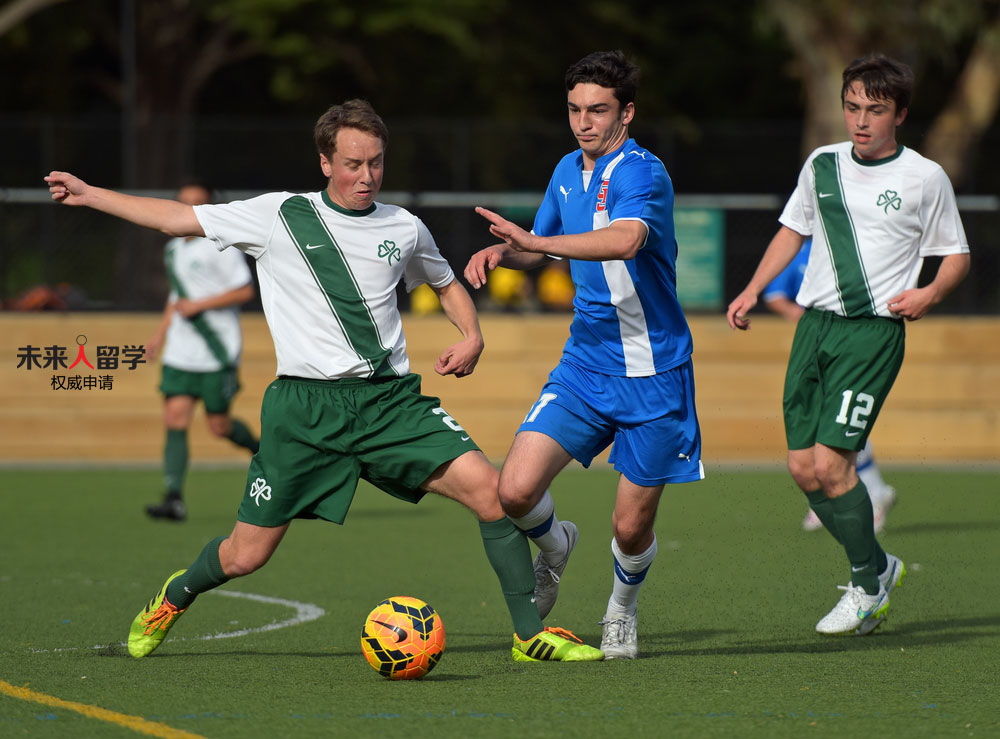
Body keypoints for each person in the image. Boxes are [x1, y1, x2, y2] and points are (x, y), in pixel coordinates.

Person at [45, 99, 602, 664]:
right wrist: (91, 195)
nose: (367, 177)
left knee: (492, 493)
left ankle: (529, 635)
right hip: (304, 413)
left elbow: (444, 280)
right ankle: (176, 594)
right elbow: (173, 219)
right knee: (245, 556)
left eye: (377, 163)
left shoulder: (404, 226)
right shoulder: (277, 215)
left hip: (388, 404)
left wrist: (472, 334)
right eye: (354, 164)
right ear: (325, 162)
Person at [465, 50, 704, 659]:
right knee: (513, 491)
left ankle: (621, 610)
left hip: (653, 374)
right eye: (574, 109)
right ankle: (555, 545)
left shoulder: (642, 173)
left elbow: (625, 239)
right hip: (585, 366)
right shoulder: (566, 170)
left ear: (627, 112)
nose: (583, 122)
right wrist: (503, 253)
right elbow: (540, 246)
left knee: (629, 526)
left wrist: (537, 241)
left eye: (597, 110)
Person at [727, 54, 970, 636]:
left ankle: (866, 585)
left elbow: (956, 256)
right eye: (853, 107)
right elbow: (793, 230)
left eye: (875, 110)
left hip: (872, 334)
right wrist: (754, 288)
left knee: (835, 465)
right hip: (815, 328)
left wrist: (929, 295)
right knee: (802, 469)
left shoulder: (923, 177)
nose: (861, 121)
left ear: (900, 114)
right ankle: (880, 565)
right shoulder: (823, 164)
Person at [762, 239, 897, 534]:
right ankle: (867, 492)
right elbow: (774, 295)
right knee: (828, 421)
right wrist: (800, 315)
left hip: (853, 341)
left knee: (840, 418)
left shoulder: (854, 242)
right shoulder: (798, 248)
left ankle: (868, 494)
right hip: (814, 343)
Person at [143, 181, 259, 522]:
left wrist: (200, 305)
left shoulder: (221, 247)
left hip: (216, 352)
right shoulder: (172, 250)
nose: (189, 211)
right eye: (184, 204)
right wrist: (159, 335)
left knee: (218, 427)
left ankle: (262, 453)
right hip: (181, 351)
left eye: (198, 205)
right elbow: (177, 297)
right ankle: (173, 498)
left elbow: (244, 291)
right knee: (174, 418)